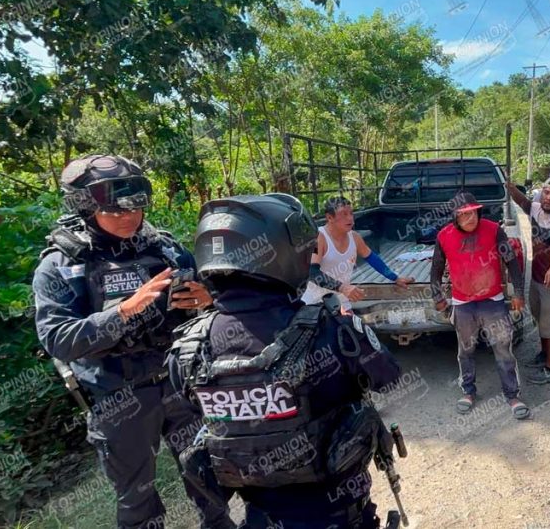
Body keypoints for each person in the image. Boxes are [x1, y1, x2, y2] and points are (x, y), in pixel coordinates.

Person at [170, 193, 403, 529]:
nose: (309, 257)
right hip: (340, 514)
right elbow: (389, 377)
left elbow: (196, 416)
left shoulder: (189, 346)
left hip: (259, 517)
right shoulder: (332, 326)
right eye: (305, 251)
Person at [32, 155, 233, 529]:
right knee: (137, 497)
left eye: (136, 208)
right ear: (86, 207)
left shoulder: (166, 249)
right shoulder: (60, 266)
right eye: (115, 210)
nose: (128, 217)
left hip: (178, 383)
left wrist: (207, 299)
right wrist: (123, 312)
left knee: (208, 474)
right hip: (118, 396)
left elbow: (214, 305)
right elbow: (57, 339)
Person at [430, 191, 530, 419]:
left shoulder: (494, 230)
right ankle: (468, 391)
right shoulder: (444, 236)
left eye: (474, 212)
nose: (471, 218)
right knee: (465, 350)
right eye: (465, 214)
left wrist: (518, 293)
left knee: (503, 349)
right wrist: (438, 298)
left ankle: (512, 395)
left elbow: (512, 262)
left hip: (493, 302)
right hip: (463, 304)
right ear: (455, 216)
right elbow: (435, 270)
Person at [505, 173, 550, 384]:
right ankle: (544, 355)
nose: (549, 197)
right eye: (546, 192)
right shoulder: (535, 209)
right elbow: (522, 201)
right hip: (537, 277)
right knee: (539, 318)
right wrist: (510, 187)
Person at [301, 196, 414, 313]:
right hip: (316, 305)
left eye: (351, 213)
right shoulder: (319, 238)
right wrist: (342, 287)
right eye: (344, 214)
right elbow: (312, 272)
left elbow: (372, 259)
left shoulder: (355, 237)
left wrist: (395, 278)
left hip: (341, 303)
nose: (350, 218)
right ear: (330, 217)